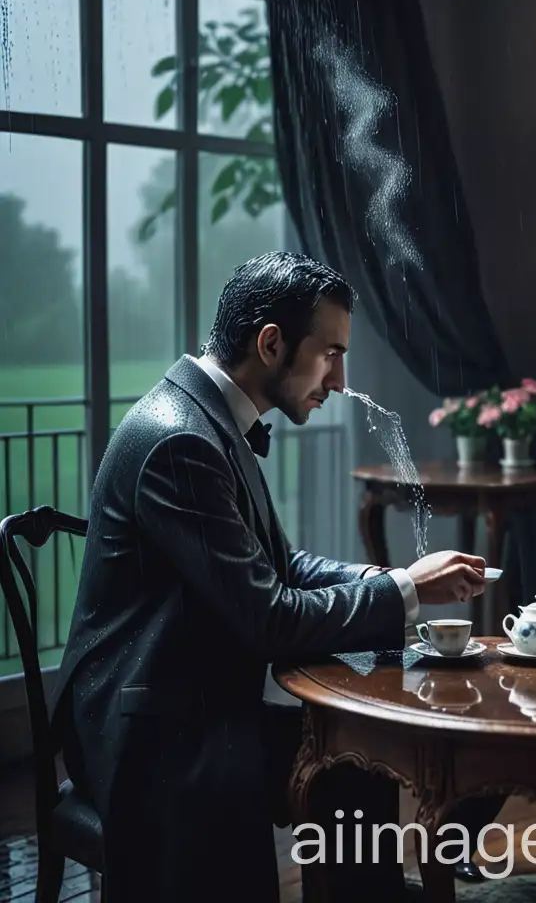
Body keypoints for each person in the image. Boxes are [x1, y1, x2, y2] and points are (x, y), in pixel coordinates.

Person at [50, 251, 487, 903]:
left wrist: (393, 577)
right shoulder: (182, 441)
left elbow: (281, 568)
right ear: (271, 342)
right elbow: (270, 619)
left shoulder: (212, 418)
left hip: (187, 704)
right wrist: (407, 592)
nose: (340, 380)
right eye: (331, 352)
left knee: (356, 758)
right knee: (352, 755)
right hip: (151, 731)